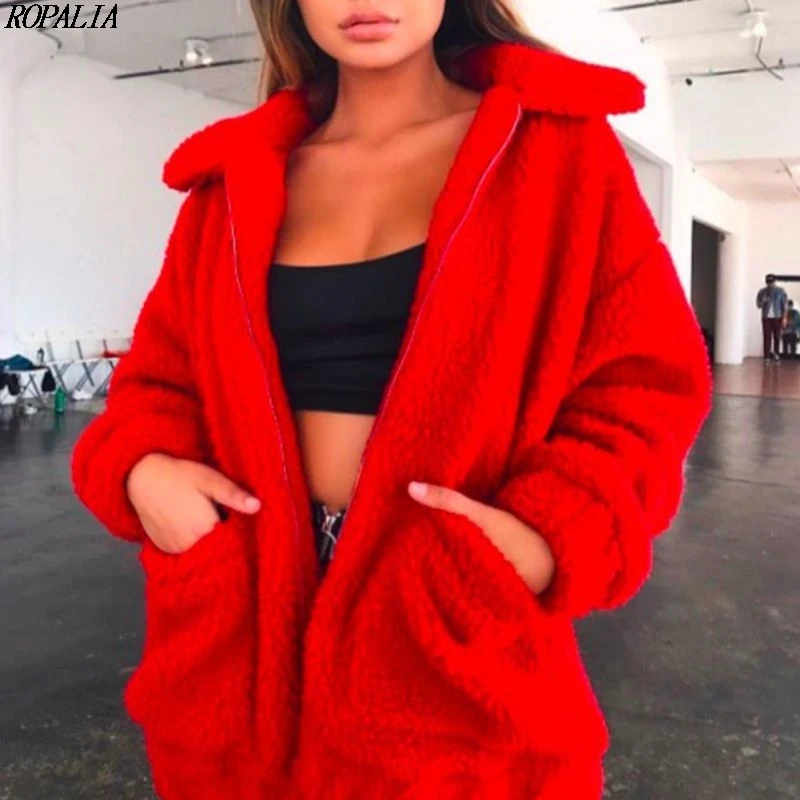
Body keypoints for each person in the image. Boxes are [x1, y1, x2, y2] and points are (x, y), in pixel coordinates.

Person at [71, 2, 712, 798]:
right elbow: (158, 382)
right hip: (242, 626)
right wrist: (144, 474)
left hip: (453, 621)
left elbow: (645, 382)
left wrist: (545, 538)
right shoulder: (233, 177)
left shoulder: (553, 149)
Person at [757, 274, 788, 363]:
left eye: (771, 282)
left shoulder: (780, 291)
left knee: (777, 337)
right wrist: (763, 301)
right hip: (766, 318)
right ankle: (766, 357)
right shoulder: (762, 292)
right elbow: (758, 305)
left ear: (774, 282)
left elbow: (785, 306)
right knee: (767, 337)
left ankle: (776, 354)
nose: (769, 284)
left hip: (777, 317)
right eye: (768, 282)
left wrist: (784, 318)